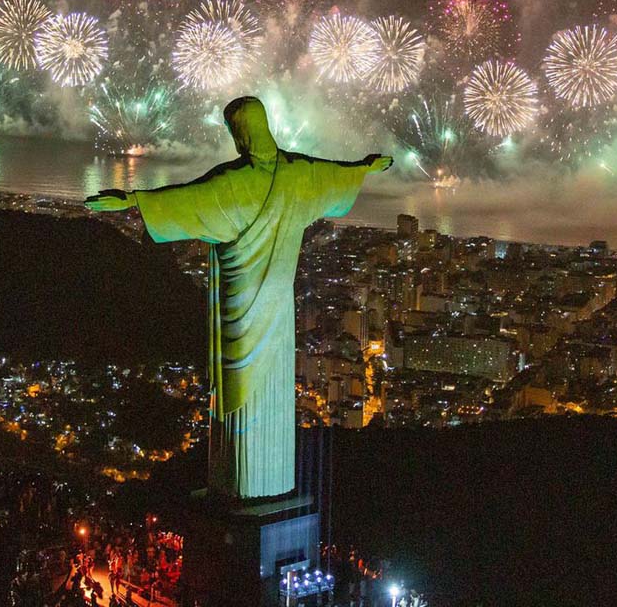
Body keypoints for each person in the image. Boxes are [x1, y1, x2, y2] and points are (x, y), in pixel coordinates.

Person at [86, 96, 392, 499]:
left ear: (240, 134)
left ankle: (242, 484)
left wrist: (132, 200)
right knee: (269, 388)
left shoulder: (234, 183)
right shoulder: (300, 174)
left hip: (240, 306)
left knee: (236, 388)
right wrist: (364, 168)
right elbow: (336, 176)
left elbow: (186, 199)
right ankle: (268, 482)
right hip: (279, 310)